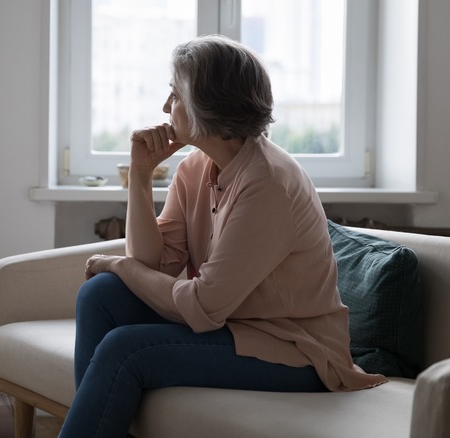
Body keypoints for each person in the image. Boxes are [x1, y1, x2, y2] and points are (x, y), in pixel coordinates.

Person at [58, 34, 387, 438]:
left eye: (175, 95)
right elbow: (152, 265)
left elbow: (201, 305)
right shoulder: (195, 167)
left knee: (126, 349)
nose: (165, 107)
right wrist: (140, 175)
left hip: (295, 350)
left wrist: (120, 264)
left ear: (207, 107)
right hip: (231, 326)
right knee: (99, 295)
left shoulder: (268, 183)